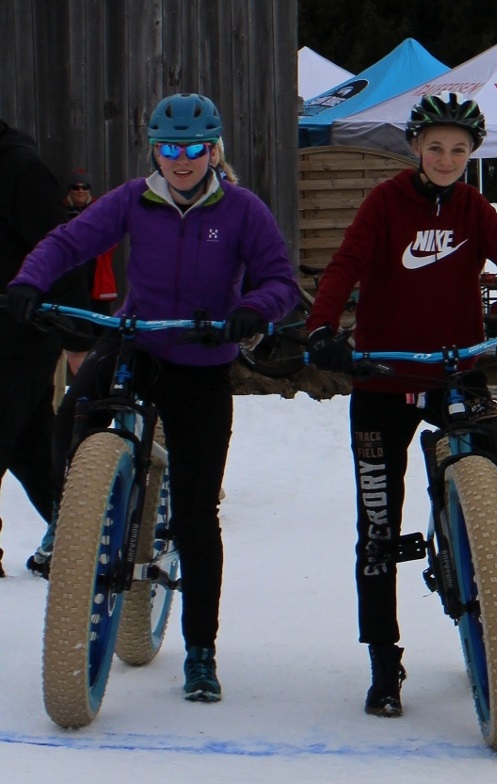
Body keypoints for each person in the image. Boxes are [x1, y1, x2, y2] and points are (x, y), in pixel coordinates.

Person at [6, 93, 299, 701]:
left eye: (194, 148)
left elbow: (280, 281)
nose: (181, 160)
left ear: (214, 150)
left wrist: (252, 310)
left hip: (203, 362)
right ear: (155, 151)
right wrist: (28, 282)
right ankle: (79, 520)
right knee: (69, 415)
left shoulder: (241, 210)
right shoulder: (134, 200)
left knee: (197, 514)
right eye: (169, 148)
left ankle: (200, 650)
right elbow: (67, 242)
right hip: (140, 344)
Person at [302, 92, 497, 719]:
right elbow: (345, 266)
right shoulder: (384, 204)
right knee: (376, 529)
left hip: (455, 376)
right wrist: (324, 329)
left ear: (472, 154)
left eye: (460, 150)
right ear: (414, 149)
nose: (447, 158)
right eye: (436, 148)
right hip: (381, 380)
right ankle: (383, 660)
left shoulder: (472, 208)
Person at [0, 119, 90, 579]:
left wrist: (76, 337)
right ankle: (80, 540)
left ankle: (81, 542)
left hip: (19, 337)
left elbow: (65, 251)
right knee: (32, 451)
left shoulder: (19, 170)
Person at [63, 169, 119, 314]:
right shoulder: (60, 212)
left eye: (85, 187)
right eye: (76, 187)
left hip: (96, 274)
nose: (80, 191)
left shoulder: (99, 210)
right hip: (70, 277)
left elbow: (113, 238)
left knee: (99, 321)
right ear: (69, 190)